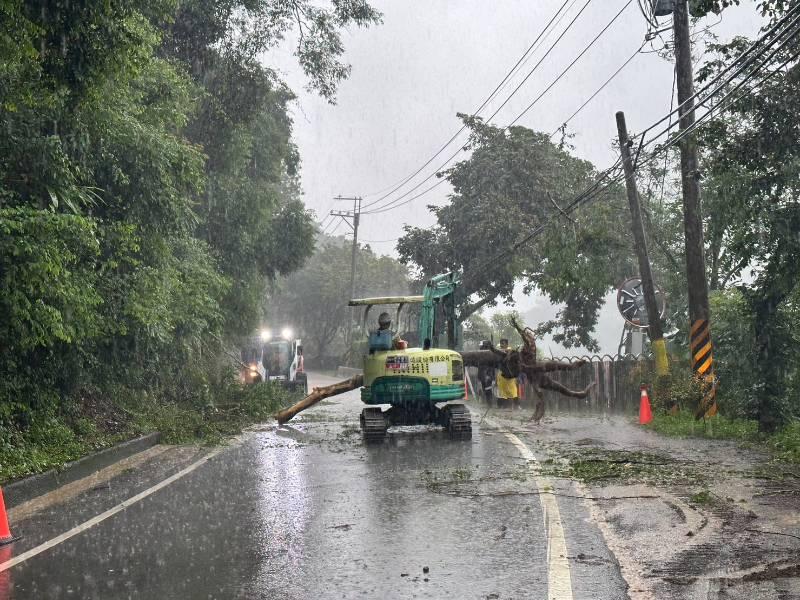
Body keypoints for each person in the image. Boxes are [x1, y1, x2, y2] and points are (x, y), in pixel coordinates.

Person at [495, 338, 520, 410]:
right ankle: (505, 407)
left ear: (507, 344)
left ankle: (512, 406)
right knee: (503, 392)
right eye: (501, 344)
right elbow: (498, 366)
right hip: (501, 375)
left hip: (509, 375)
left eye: (503, 343)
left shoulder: (510, 351)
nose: (502, 345)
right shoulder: (499, 352)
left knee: (511, 391)